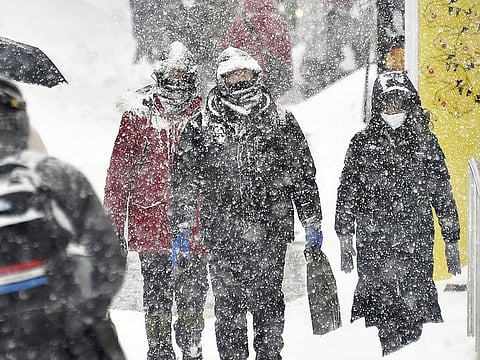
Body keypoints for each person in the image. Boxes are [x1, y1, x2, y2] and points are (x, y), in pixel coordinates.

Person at [170, 47, 324, 360]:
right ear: (220, 79)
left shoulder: (280, 119)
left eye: (245, 74)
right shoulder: (201, 125)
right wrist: (182, 225)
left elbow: (302, 174)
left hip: (271, 229)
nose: (239, 80)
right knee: (228, 308)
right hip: (222, 232)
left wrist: (311, 219)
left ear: (256, 75)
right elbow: (184, 178)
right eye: (232, 75)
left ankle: (270, 354)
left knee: (268, 302)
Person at [335, 70, 461, 356]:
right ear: (377, 106)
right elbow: (347, 192)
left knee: (415, 312)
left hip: (414, 241)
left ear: (411, 104)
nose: (394, 111)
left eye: (400, 103)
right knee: (382, 316)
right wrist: (343, 233)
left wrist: (451, 237)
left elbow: (442, 191)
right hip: (374, 243)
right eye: (387, 104)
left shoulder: (425, 142)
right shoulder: (362, 144)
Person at [0, 77, 126, 359]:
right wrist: (84, 314)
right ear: (20, 119)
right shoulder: (56, 174)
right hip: (65, 333)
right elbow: (107, 257)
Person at [104, 41, 208, 360]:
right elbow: (119, 173)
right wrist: (113, 224)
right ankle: (159, 351)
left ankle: (191, 348)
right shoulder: (139, 115)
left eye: (182, 74)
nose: (176, 81)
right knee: (156, 296)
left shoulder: (206, 113)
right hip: (151, 224)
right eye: (170, 74)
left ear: (190, 77)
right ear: (160, 75)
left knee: (192, 298)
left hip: (195, 225)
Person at [222, 0, 293, 99]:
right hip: (271, 74)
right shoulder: (278, 23)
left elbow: (227, 51)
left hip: (247, 76)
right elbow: (286, 53)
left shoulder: (239, 24)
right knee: (268, 103)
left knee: (247, 104)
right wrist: (287, 71)